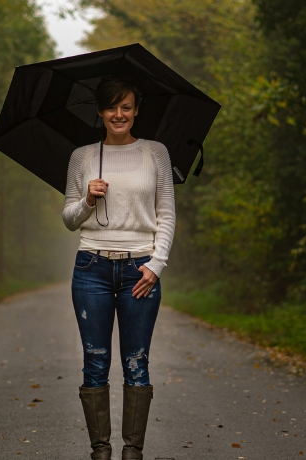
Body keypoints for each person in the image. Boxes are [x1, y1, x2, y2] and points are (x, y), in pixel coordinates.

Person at [61, 75, 176, 460]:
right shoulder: (82, 156)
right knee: (95, 359)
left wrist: (156, 265)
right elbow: (68, 218)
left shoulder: (155, 153)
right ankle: (100, 452)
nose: (119, 114)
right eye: (112, 107)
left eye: (126, 106)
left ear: (136, 110)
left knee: (136, 361)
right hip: (91, 266)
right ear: (100, 111)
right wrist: (88, 201)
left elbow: (166, 214)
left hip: (140, 271)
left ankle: (132, 453)